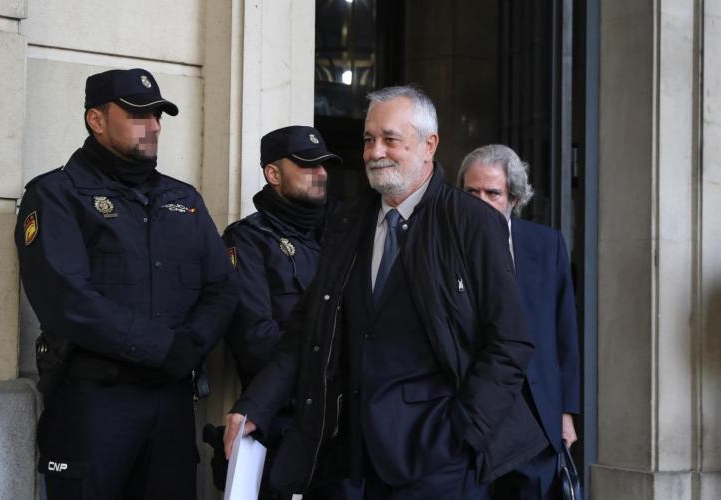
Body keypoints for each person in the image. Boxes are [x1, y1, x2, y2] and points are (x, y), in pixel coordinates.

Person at [224, 85, 547, 499]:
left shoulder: (473, 224)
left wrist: (465, 432)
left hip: (443, 461)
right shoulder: (346, 223)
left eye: (390, 139)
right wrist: (256, 405)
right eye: (368, 139)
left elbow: (509, 342)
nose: (375, 152)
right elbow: (308, 330)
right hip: (356, 461)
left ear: (429, 145)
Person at [15, 68, 238, 500]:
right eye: (138, 114)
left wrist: (193, 343)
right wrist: (164, 347)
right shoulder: (56, 194)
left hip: (170, 403)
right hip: (94, 404)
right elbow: (66, 299)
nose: (153, 126)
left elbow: (222, 287)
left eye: (157, 115)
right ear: (96, 120)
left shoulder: (184, 199)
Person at [222, 125, 344, 499]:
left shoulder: (343, 234)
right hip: (282, 424)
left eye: (323, 164)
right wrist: (329, 352)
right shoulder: (247, 239)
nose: (320, 173)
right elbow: (255, 342)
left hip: (343, 425)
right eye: (306, 165)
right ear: (273, 174)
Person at [457, 144, 581, 499]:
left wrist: (566, 413)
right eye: (472, 192)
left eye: (492, 193)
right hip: (471, 411)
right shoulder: (444, 243)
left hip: (536, 411)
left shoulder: (546, 244)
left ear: (513, 198)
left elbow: (564, 331)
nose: (481, 202)